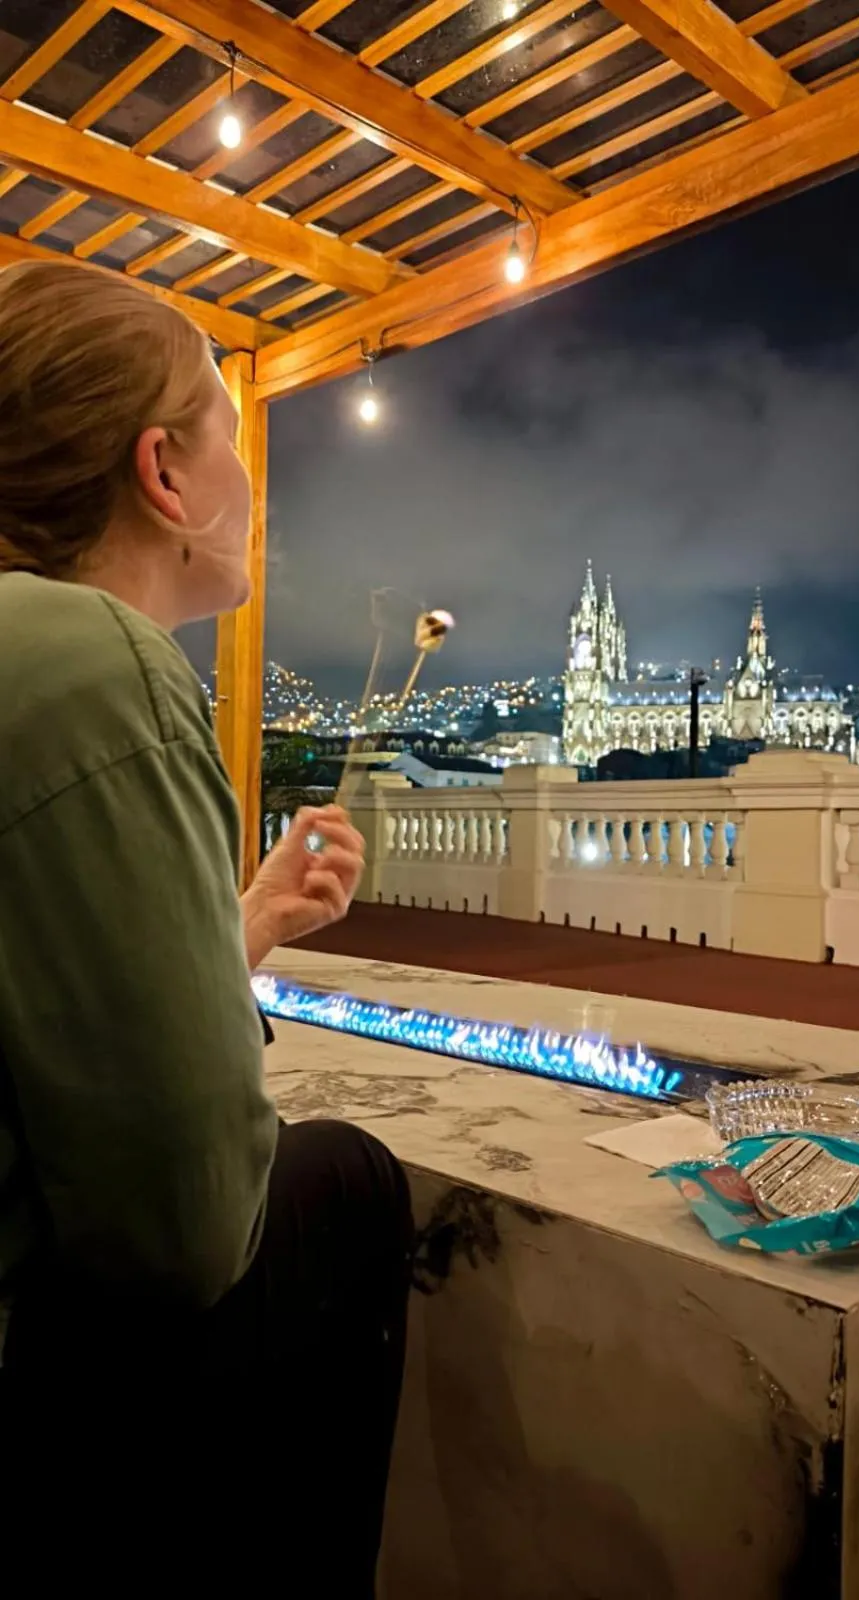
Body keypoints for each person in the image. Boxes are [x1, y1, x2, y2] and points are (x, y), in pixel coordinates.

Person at [0, 260, 412, 1587]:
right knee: (343, 1181)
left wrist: (242, 924)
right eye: (233, 435)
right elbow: (185, 1223)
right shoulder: (101, 662)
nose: (253, 486)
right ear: (165, 476)